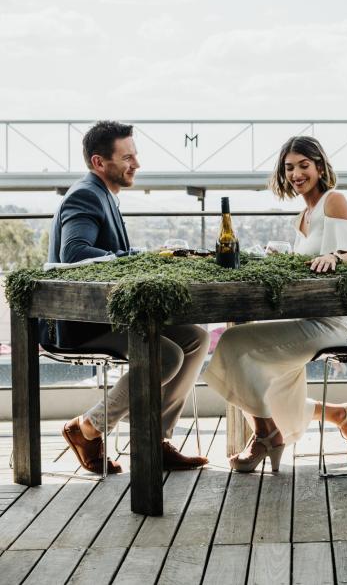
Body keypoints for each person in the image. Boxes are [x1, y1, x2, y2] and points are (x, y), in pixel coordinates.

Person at [45, 121, 210, 474]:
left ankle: (156, 438)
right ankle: (87, 428)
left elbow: (105, 253)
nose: (135, 164)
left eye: (135, 156)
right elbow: (74, 254)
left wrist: (141, 254)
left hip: (110, 315)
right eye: (127, 157)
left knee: (195, 337)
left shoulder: (104, 194)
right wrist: (131, 258)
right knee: (166, 354)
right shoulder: (85, 194)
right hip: (84, 322)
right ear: (99, 162)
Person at [203, 136, 347, 472]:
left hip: (332, 322)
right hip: (305, 316)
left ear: (319, 166)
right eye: (289, 167)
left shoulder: (333, 201)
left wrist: (334, 256)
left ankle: (266, 436)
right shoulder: (302, 216)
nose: (296, 173)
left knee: (235, 345)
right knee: (244, 359)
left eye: (303, 165)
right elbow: (305, 264)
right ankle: (336, 416)